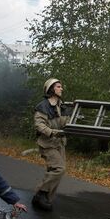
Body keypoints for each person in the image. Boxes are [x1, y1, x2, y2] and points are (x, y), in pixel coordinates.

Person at [32, 78, 69, 211]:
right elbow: (39, 125)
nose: (61, 89)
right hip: (47, 143)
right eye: (59, 86)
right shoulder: (43, 106)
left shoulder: (62, 106)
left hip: (60, 144)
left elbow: (66, 123)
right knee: (59, 169)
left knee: (55, 171)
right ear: (52, 89)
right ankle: (39, 194)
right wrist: (51, 132)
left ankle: (47, 199)